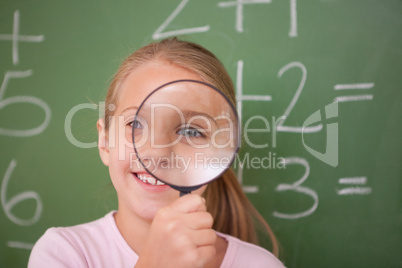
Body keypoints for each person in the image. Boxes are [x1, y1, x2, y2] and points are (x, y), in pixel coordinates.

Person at [28, 37, 285, 268]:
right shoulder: (64, 253)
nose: (158, 152)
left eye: (191, 131)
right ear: (105, 142)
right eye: (136, 124)